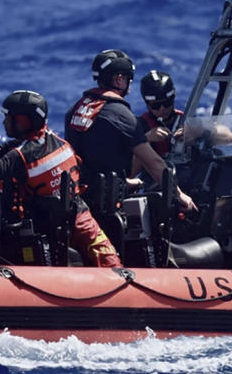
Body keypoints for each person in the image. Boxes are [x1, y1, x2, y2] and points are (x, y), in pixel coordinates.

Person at [0, 90, 122, 268]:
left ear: (22, 122)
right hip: (80, 215)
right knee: (109, 258)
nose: (4, 122)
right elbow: (5, 149)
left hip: (49, 225)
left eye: (8, 117)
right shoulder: (55, 141)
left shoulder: (21, 156)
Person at [64, 50, 197, 244]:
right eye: (128, 80)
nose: (129, 85)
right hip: (107, 207)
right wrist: (179, 195)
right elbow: (153, 161)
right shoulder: (119, 113)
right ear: (119, 80)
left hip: (79, 200)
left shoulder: (75, 109)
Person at [137, 70, 183, 157]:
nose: (162, 109)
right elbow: (131, 168)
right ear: (147, 103)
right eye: (156, 105)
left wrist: (194, 133)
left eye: (167, 102)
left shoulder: (184, 119)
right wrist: (146, 139)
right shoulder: (139, 127)